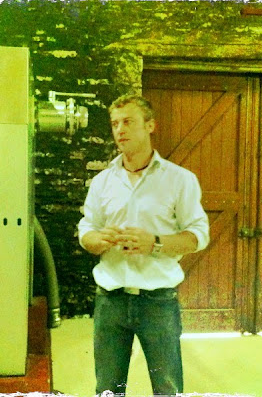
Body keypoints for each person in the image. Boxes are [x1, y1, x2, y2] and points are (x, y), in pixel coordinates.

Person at [78, 94, 210, 396]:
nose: (120, 130)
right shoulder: (102, 182)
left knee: (167, 388)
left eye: (128, 121)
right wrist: (97, 240)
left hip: (158, 302)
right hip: (110, 300)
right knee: (107, 388)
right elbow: (87, 229)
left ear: (150, 125)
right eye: (115, 124)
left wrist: (155, 243)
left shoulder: (180, 180)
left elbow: (198, 236)